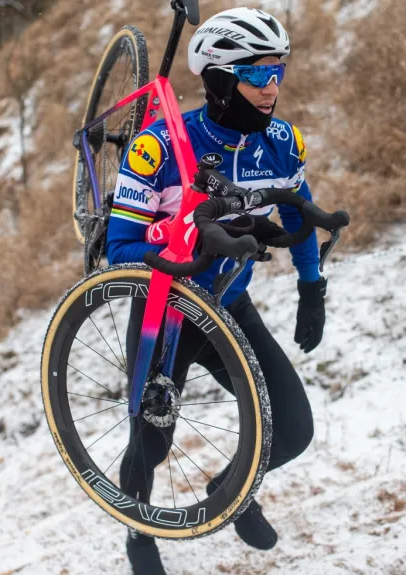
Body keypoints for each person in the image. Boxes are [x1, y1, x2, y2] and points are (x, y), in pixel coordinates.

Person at [105, 7, 328, 574]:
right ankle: (138, 531)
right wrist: (190, 248)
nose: (272, 86)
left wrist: (311, 288)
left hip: (229, 306)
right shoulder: (156, 149)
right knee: (151, 443)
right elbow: (119, 250)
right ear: (221, 79)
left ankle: (228, 491)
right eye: (257, 74)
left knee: (293, 429)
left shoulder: (282, 142)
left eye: (278, 70)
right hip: (169, 310)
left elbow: (297, 216)